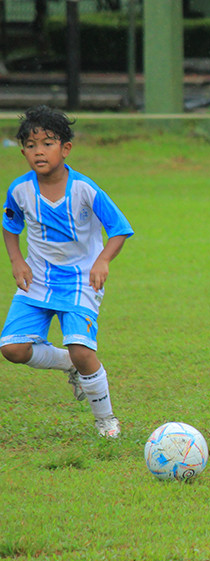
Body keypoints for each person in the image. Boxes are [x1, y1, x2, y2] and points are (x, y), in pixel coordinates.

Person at [1, 105, 134, 438]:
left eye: (47, 143)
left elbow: (119, 228)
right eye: (31, 146)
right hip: (39, 279)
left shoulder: (85, 189)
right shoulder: (20, 190)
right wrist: (17, 260)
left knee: (82, 350)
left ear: (65, 148)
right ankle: (68, 364)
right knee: (12, 349)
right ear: (23, 152)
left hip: (80, 281)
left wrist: (103, 260)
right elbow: (10, 225)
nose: (39, 151)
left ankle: (106, 422)